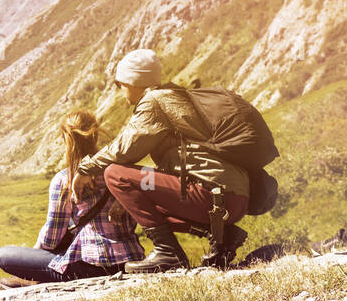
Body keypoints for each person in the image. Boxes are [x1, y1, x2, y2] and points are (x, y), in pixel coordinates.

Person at [76, 49, 250, 273]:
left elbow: (124, 150)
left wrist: (85, 168)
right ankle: (224, 235)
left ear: (132, 81)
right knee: (139, 199)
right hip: (231, 198)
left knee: (115, 174)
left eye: (121, 84)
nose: (120, 90)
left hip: (211, 195)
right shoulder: (174, 95)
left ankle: (168, 253)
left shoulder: (154, 103)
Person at [0, 109, 143, 285]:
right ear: (95, 136)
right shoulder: (121, 170)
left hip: (90, 268)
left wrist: (36, 250)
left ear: (66, 140)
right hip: (129, 260)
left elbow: (51, 239)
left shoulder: (65, 179)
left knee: (4, 256)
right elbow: (149, 182)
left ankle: (37, 279)